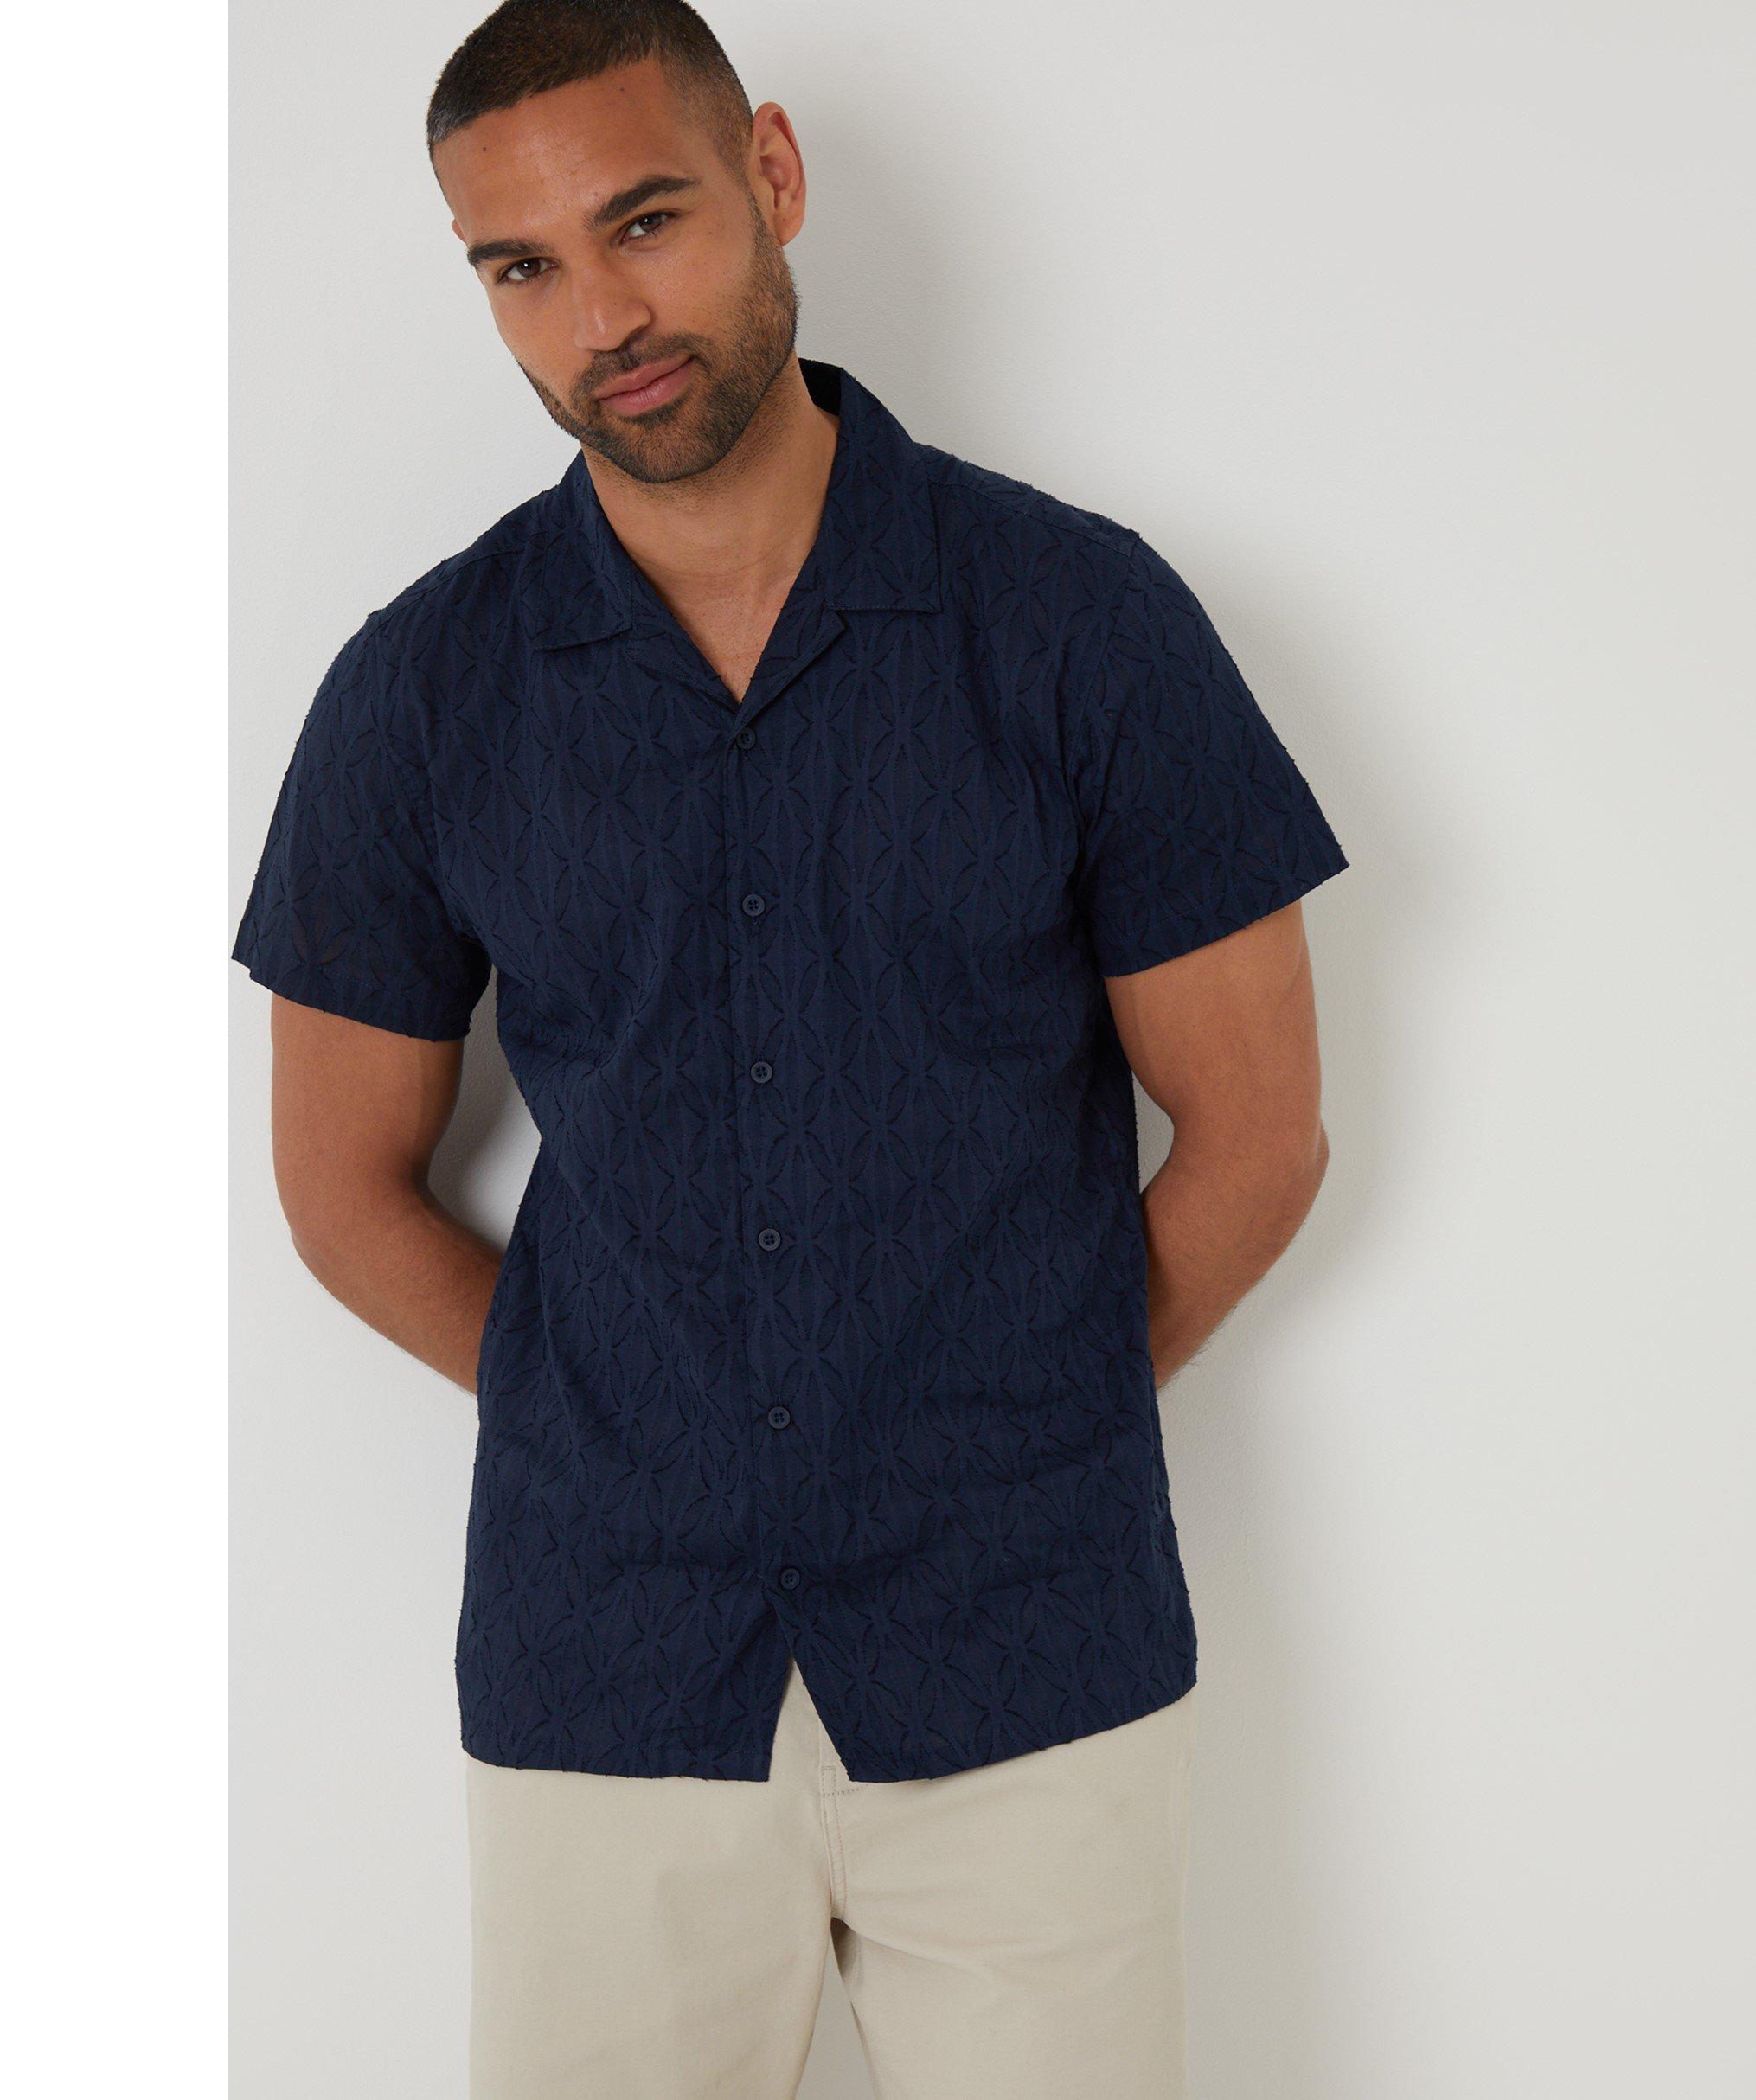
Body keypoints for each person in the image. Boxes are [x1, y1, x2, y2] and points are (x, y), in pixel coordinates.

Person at [234, 1, 1350, 2091]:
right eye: (520, 266)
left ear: (770, 174)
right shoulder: (420, 689)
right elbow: (337, 1186)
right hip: (608, 1670)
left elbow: (1258, 1134)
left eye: (642, 221)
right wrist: (623, 1418)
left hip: (1031, 1654)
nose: (601, 317)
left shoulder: (1082, 623)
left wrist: (1003, 1413)